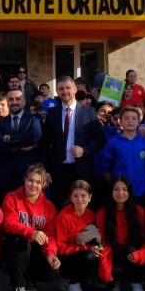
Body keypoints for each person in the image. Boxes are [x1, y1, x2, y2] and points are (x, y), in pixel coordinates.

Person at [40, 76, 106, 208]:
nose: (65, 91)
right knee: (60, 208)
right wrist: (46, 170)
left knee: (82, 209)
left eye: (68, 88)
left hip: (82, 170)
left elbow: (101, 139)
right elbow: (45, 144)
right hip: (58, 172)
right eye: (61, 89)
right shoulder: (52, 113)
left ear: (75, 89)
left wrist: (85, 150)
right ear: (57, 92)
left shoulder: (89, 112)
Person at [0, 163, 59, 291]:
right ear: (24, 180)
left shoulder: (49, 206)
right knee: (20, 241)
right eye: (30, 180)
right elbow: (9, 224)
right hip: (16, 248)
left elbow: (50, 235)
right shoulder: (12, 197)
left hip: (37, 249)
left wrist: (50, 253)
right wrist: (31, 232)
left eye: (38, 182)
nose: (33, 185)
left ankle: (30, 278)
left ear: (44, 184)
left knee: (52, 271)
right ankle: (18, 287)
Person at [44, 180, 104, 291]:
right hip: (66, 258)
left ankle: (80, 281)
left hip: (88, 253)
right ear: (70, 198)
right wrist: (86, 248)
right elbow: (60, 247)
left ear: (90, 197)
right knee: (89, 256)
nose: (79, 199)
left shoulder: (92, 215)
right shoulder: (63, 216)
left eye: (83, 196)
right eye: (75, 196)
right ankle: (72, 283)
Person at [96, 175, 145, 291]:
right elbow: (103, 243)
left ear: (129, 192)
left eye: (125, 189)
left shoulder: (138, 211)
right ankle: (115, 281)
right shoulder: (102, 212)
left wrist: (139, 255)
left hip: (132, 254)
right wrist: (108, 271)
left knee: (132, 250)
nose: (120, 193)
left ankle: (136, 284)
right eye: (116, 189)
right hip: (112, 254)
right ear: (110, 191)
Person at [97, 106, 145, 201]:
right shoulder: (113, 143)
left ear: (139, 121)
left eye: (133, 118)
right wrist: (114, 184)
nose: (130, 121)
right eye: (126, 118)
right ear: (120, 121)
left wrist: (142, 179)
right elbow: (106, 169)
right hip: (120, 193)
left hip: (141, 191)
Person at [0, 89, 42, 195]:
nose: (14, 102)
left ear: (24, 101)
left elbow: (34, 137)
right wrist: (20, 149)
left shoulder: (34, 119)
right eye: (11, 99)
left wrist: (10, 139)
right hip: (6, 175)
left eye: (18, 99)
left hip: (28, 172)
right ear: (7, 102)